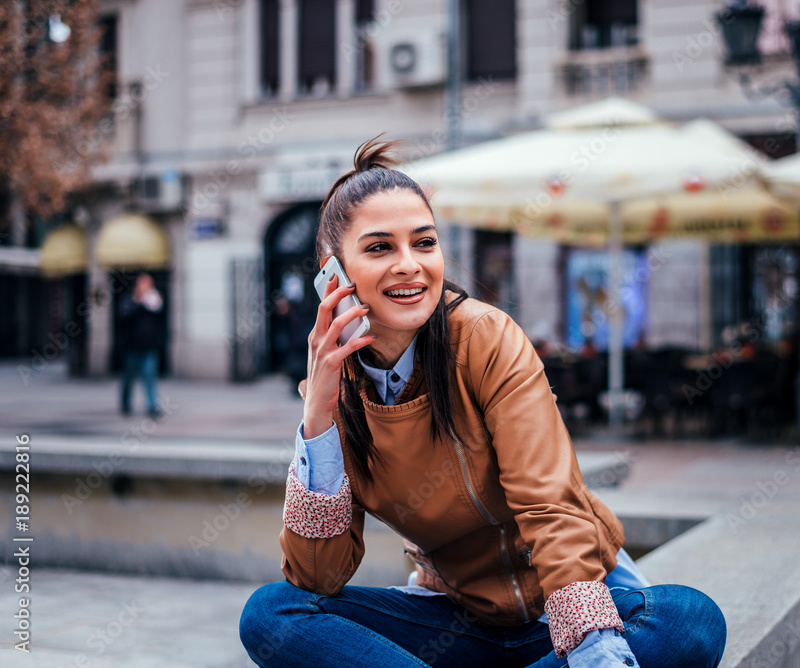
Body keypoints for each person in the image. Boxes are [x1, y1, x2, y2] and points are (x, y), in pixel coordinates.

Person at [239, 138, 726, 667]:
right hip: (456, 624)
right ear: (331, 272)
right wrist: (319, 420)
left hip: (556, 617)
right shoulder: (336, 389)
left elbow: (550, 503)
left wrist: (588, 640)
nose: (410, 265)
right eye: (380, 248)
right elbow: (318, 577)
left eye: (424, 243)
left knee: (689, 618)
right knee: (273, 611)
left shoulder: (486, 337)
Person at [118, 273, 165, 418]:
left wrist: (149, 301)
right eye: (142, 284)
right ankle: (125, 404)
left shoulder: (153, 301)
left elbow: (160, 314)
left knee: (149, 377)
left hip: (149, 347)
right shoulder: (129, 301)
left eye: (147, 284)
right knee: (128, 379)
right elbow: (124, 318)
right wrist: (137, 302)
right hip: (132, 347)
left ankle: (152, 407)